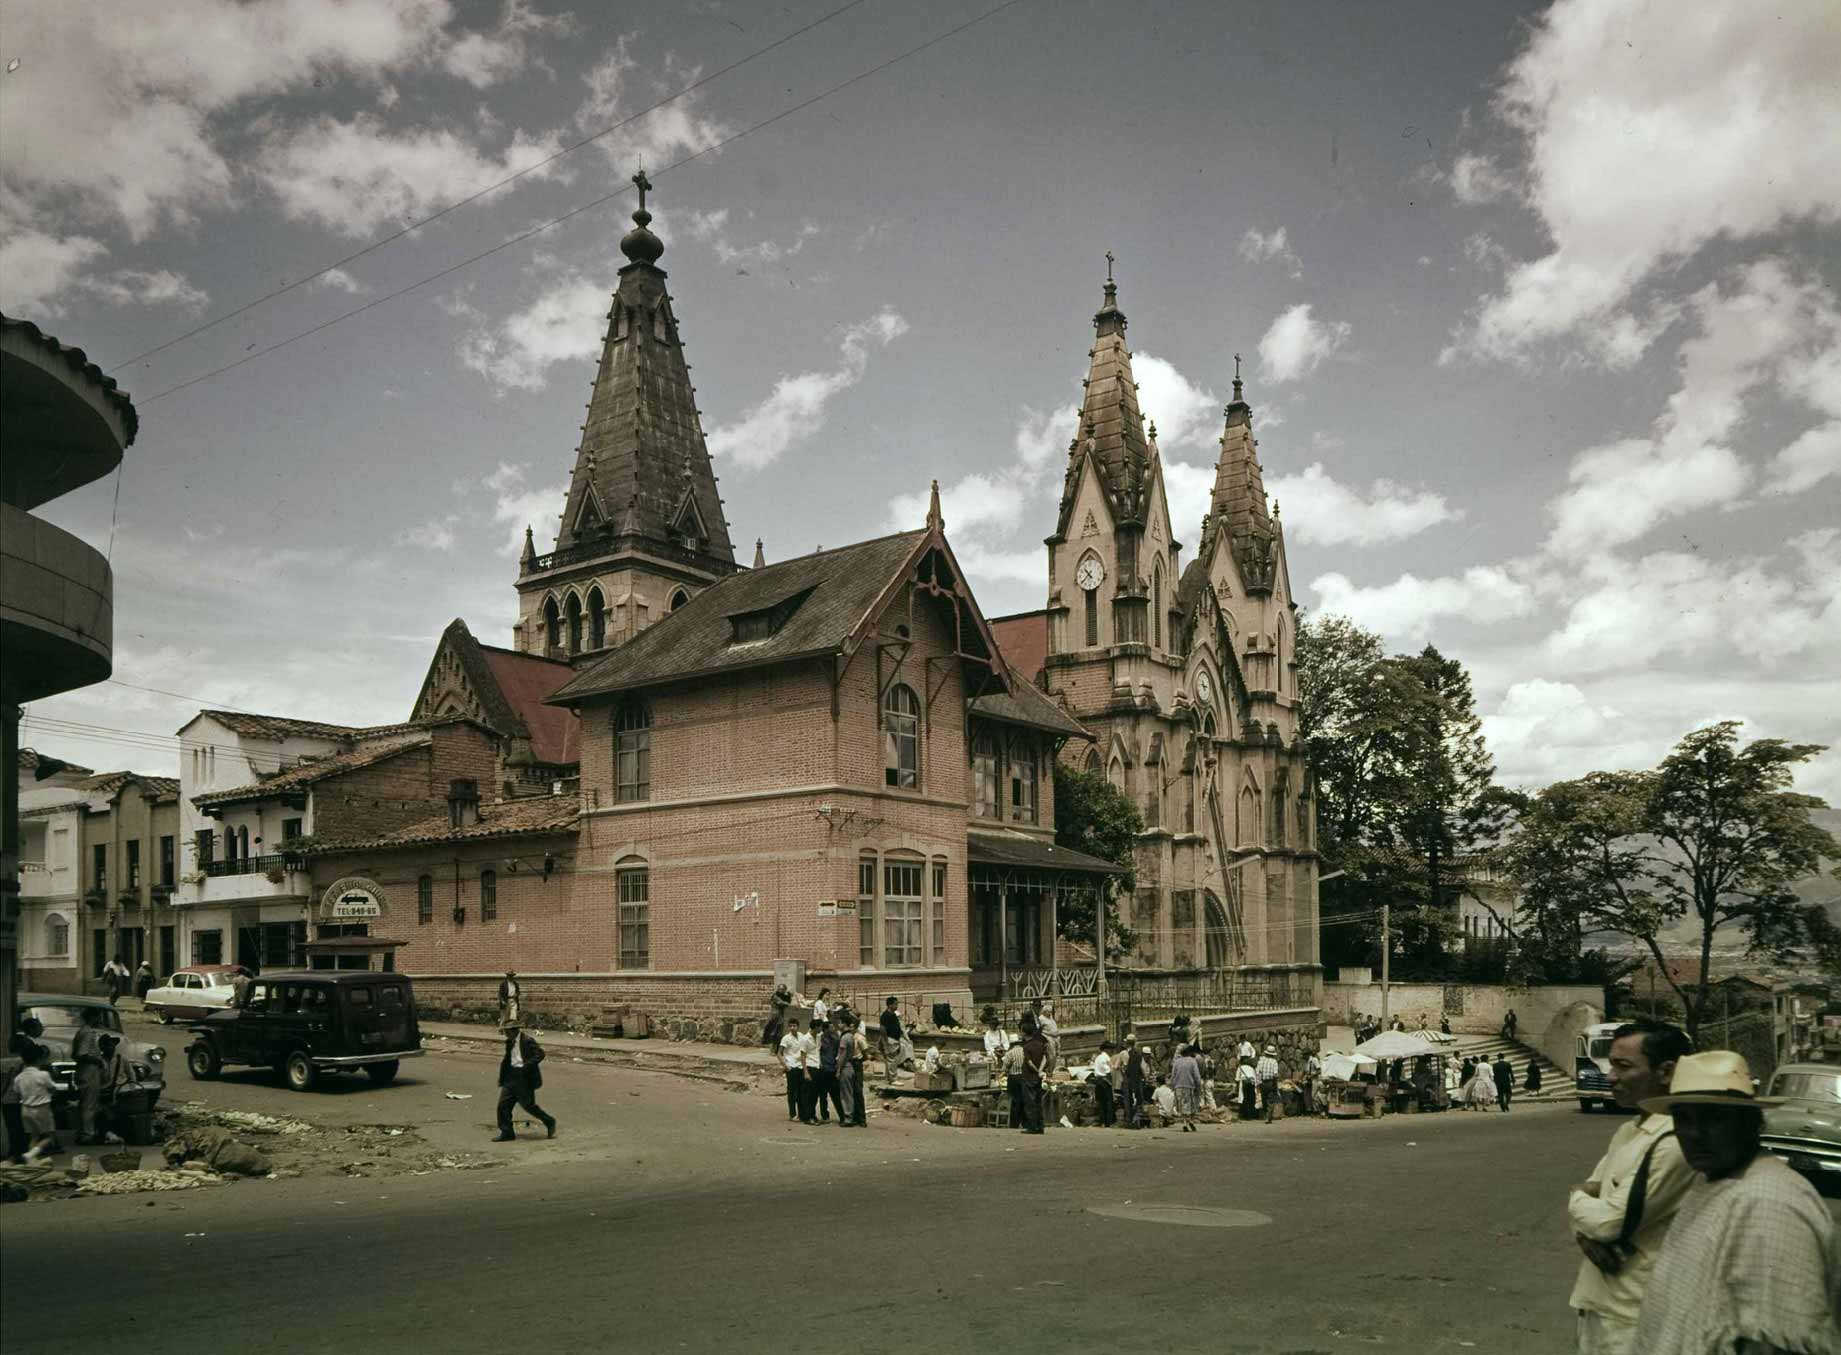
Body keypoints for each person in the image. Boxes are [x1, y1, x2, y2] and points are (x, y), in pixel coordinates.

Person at [1632, 1050, 1841, 1355]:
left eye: (1713, 1118)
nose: (1694, 1134)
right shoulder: (1714, 1178)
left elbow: (1775, 1341)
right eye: (1683, 1119)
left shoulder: (1768, 1204)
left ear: (1751, 1123)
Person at [1567, 1020, 1694, 1355]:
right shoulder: (1627, 1131)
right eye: (1611, 1065)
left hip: (1636, 1316)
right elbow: (1597, 1204)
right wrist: (1587, 1220)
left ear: (1665, 1072)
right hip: (1599, 1303)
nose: (1610, 1077)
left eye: (1623, 1066)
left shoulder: (1675, 1140)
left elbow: (1610, 1222)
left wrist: (1575, 1199)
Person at [494, 1021, 556, 1141]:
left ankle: (549, 1121)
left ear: (515, 1031)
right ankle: (507, 1132)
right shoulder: (509, 1042)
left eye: (507, 1031)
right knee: (503, 1105)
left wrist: (526, 1066)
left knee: (529, 1106)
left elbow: (540, 1054)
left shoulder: (527, 1040)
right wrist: (503, 1077)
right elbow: (508, 1059)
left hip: (524, 1078)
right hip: (511, 1077)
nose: (506, 1034)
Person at [4, 1018, 47, 1162]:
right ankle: (18, 1159)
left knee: (14, 1131)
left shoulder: (6, 1062)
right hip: (19, 1101)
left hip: (7, 1100)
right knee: (22, 1132)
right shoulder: (24, 1064)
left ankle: (15, 1157)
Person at [13, 1048, 58, 1163]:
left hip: (25, 1109)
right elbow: (53, 1088)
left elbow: (16, 1092)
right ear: (39, 1059)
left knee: (34, 1136)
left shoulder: (19, 1077)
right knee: (49, 1136)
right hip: (42, 1108)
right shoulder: (43, 1074)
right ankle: (29, 1155)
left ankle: (31, 1161)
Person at [72, 1006, 107, 1143]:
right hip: (89, 1070)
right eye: (98, 1016)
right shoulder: (88, 1033)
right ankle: (88, 1133)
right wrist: (98, 1061)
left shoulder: (81, 1032)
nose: (99, 1019)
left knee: (84, 1102)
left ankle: (82, 1131)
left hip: (83, 1070)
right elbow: (82, 1054)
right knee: (89, 1104)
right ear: (93, 1017)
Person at [779, 1017, 817, 1123]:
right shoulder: (786, 1038)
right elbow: (779, 1053)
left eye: (794, 1026)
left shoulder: (802, 1036)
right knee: (792, 1092)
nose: (792, 1028)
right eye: (790, 1026)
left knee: (801, 1092)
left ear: (798, 1026)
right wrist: (785, 1065)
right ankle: (792, 1114)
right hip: (791, 1067)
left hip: (800, 1067)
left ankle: (802, 1114)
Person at [835, 1016, 866, 1128]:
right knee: (850, 1093)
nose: (838, 1025)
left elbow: (842, 1055)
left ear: (844, 1024)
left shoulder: (845, 1038)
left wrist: (838, 1069)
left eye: (840, 1022)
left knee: (846, 1094)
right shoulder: (851, 1036)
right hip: (850, 1066)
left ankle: (848, 1117)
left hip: (846, 1067)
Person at [1019, 1023, 1049, 1134]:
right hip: (1038, 1078)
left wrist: (1036, 1071)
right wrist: (1040, 1071)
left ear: (1023, 1032)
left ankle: (1032, 1126)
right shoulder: (1040, 1044)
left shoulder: (1026, 1047)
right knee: (1038, 1101)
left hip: (1029, 1076)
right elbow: (1045, 1059)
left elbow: (1029, 1062)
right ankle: (1040, 1125)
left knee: (1030, 1102)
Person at [815, 1017, 843, 1123]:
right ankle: (825, 1116)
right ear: (826, 1029)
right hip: (824, 1069)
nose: (834, 1029)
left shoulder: (836, 1039)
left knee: (836, 1094)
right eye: (831, 1027)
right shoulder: (820, 1039)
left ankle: (842, 1116)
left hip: (832, 1069)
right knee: (823, 1095)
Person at [879, 997, 914, 1082]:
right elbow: (882, 1029)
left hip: (894, 1039)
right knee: (892, 1061)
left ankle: (888, 1078)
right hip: (890, 1040)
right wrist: (886, 1042)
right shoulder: (886, 1015)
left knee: (890, 1061)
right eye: (895, 1004)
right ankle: (893, 1079)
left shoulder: (893, 1014)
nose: (897, 1006)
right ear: (890, 1005)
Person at [1169, 1044, 1202, 1132]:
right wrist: (1199, 1086)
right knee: (1189, 1105)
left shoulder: (1176, 1062)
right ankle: (1190, 1121)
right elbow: (1197, 1076)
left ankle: (1185, 1123)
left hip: (1178, 1086)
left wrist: (1172, 1085)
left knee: (1181, 1105)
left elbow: (1173, 1075)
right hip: (1189, 1086)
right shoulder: (1192, 1061)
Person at [1089, 1042, 1117, 1127]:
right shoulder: (1105, 1058)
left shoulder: (1098, 1058)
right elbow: (1108, 1070)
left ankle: (1103, 1121)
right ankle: (1108, 1122)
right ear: (1106, 1049)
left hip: (1098, 1081)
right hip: (1105, 1081)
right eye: (1111, 1049)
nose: (1112, 1051)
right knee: (1108, 1102)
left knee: (1101, 1102)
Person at [1004, 1036, 1029, 1130]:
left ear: (1011, 1044)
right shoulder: (1025, 1051)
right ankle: (1025, 1123)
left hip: (1013, 1078)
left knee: (1015, 1101)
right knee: (1024, 1100)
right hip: (1024, 1077)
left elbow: (1005, 1067)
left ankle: (1014, 1123)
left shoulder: (1010, 1053)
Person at [1123, 1043, 1147, 1129]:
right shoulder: (1140, 1058)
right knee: (1138, 1099)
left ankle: (1128, 1120)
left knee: (1128, 1100)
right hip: (1137, 1081)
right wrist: (1146, 1077)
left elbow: (1125, 1069)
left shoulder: (1126, 1056)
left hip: (1128, 1081)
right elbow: (1144, 1069)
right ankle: (1136, 1119)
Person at [761, 983, 792, 1050]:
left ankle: (777, 1049)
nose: (781, 990)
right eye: (780, 989)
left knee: (779, 1033)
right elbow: (781, 1003)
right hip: (774, 1016)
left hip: (780, 1017)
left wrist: (789, 997)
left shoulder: (783, 996)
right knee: (773, 1032)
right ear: (778, 989)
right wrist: (787, 1003)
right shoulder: (775, 996)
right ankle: (773, 1049)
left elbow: (788, 1002)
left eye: (783, 989)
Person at [1256, 1044, 1281, 1123]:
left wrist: (1259, 1083)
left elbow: (1258, 1072)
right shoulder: (1274, 1062)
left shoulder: (1261, 1061)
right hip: (1271, 1082)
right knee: (1270, 1100)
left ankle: (1265, 1115)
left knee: (1264, 1099)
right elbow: (1275, 1074)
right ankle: (1268, 1117)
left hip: (1263, 1082)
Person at [1236, 1056, 1259, 1121]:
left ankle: (1246, 1116)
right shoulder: (1252, 1068)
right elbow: (1256, 1078)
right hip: (1252, 1083)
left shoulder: (1240, 1068)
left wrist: (1237, 1088)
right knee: (1251, 1099)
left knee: (1245, 1099)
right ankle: (1252, 1115)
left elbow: (1237, 1079)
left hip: (1244, 1083)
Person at [1302, 1049, 1321, 1115]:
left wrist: (1312, 1075)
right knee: (1307, 1095)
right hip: (1308, 1079)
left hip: (1314, 1079)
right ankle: (1309, 1110)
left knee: (1313, 1095)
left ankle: (1316, 1110)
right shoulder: (1305, 1062)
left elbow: (1319, 1071)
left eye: (1304, 1055)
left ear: (1307, 1055)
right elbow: (1304, 1071)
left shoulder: (1314, 1060)